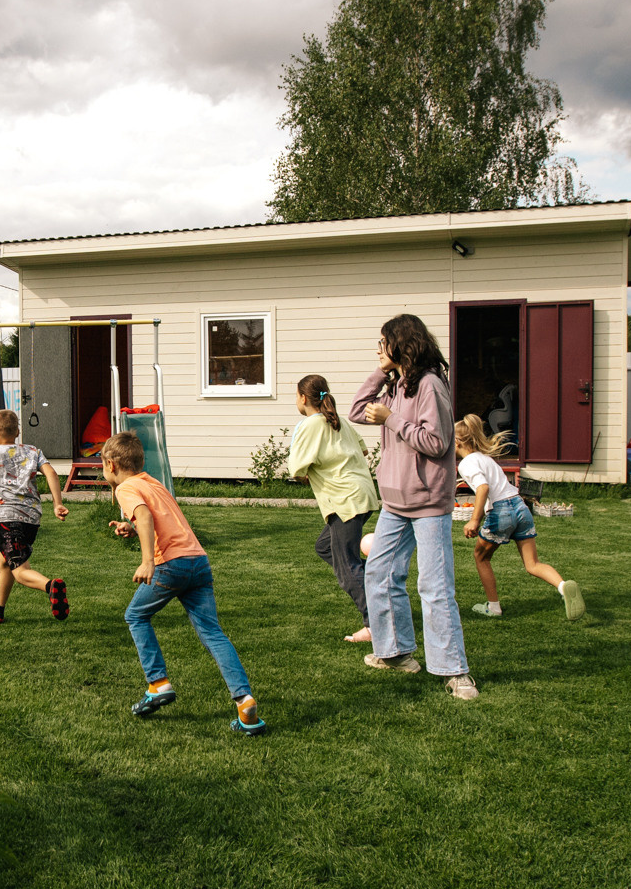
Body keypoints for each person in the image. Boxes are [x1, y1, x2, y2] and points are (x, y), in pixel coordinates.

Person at [350, 313, 476, 701]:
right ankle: (396, 653)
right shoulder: (396, 386)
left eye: (383, 342)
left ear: (402, 345)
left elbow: (438, 443)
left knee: (435, 586)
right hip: (394, 501)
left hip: (427, 503)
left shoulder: (431, 385)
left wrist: (392, 420)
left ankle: (455, 671)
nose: (378, 348)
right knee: (381, 573)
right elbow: (356, 411)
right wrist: (379, 373)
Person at [107, 430, 263, 734]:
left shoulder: (126, 487)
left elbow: (145, 515)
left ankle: (158, 683)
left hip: (170, 564)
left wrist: (148, 561)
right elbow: (153, 517)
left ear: (111, 464)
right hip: (198, 562)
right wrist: (131, 526)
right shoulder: (154, 483)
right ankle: (244, 702)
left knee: (136, 615)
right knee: (212, 633)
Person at [454, 414, 583, 620]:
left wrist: (474, 520)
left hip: (501, 510)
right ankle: (562, 585)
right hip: (520, 506)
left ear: (458, 442)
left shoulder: (466, 463)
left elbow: (483, 488)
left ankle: (493, 607)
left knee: (481, 557)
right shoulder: (486, 459)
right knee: (532, 564)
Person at [286, 372, 380, 643]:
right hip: (362, 495)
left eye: (296, 395)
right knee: (325, 547)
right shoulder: (340, 421)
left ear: (303, 398)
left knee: (346, 569)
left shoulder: (311, 424)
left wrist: (308, 471)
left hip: (344, 500)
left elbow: (297, 469)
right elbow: (362, 452)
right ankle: (374, 578)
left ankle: (376, 626)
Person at [0, 408, 70, 623]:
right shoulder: (33, 451)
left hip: (6, 519)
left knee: (20, 569)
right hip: (31, 519)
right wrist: (57, 503)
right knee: (6, 562)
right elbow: (51, 473)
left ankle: (51, 587)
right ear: (18, 432)